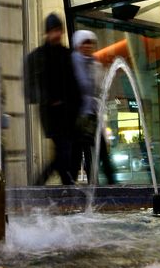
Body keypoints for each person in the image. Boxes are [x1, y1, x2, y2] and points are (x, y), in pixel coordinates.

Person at [25, 13, 82, 185]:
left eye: (59, 30)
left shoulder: (67, 54)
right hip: (52, 113)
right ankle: (57, 184)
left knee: (68, 152)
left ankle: (61, 184)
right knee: (63, 150)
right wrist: (47, 99)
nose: (57, 34)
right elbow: (30, 86)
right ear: (47, 33)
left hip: (70, 112)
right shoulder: (38, 56)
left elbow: (74, 83)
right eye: (53, 31)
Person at [71, 30, 117, 185]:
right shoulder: (72, 62)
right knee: (80, 154)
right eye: (85, 43)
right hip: (78, 117)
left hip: (92, 116)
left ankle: (109, 184)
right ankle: (80, 187)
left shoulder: (95, 65)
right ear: (78, 45)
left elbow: (101, 89)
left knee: (101, 151)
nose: (88, 46)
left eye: (90, 43)